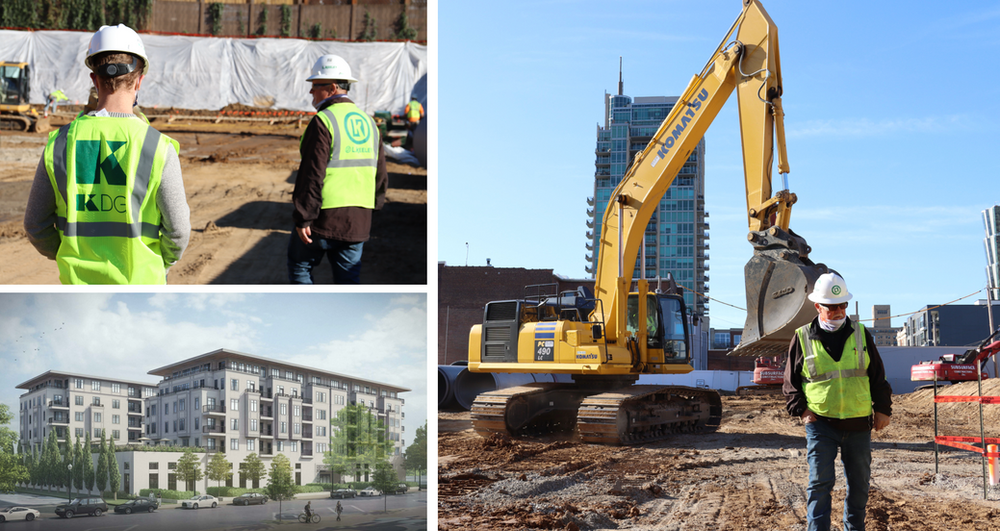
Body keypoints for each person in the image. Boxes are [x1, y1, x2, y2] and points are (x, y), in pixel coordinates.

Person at [23, 24, 190, 284]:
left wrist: (68, 256)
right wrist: (159, 264)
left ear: (94, 79)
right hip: (141, 285)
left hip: (78, 287)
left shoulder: (59, 144)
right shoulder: (158, 147)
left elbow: (35, 225)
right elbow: (178, 232)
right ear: (139, 80)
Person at [783, 272, 892, 531]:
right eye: (831, 307)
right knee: (820, 484)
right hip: (821, 424)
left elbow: (877, 375)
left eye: (842, 305)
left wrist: (883, 410)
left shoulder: (861, 334)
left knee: (859, 486)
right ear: (817, 306)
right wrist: (803, 411)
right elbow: (790, 383)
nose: (837, 311)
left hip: (859, 424)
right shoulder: (801, 337)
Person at [288, 54, 387, 284]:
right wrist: (373, 207)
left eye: (315, 86)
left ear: (332, 88)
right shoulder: (370, 123)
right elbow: (380, 173)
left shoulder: (324, 121)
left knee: (300, 267)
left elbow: (312, 175)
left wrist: (304, 218)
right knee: (349, 280)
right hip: (359, 220)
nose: (311, 91)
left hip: (323, 218)